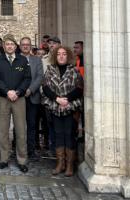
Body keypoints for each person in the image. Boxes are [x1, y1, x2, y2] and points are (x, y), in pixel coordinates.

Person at [0, 34, 31, 172]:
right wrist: (7, 91)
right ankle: (4, 159)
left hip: (19, 99)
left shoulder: (22, 60)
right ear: (4, 46)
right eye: (7, 44)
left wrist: (18, 91)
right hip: (3, 98)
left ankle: (22, 160)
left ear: (15, 46)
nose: (9, 46)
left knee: (20, 129)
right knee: (3, 130)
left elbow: (27, 78)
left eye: (12, 44)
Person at [41, 46, 83, 177]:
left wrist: (67, 100)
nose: (61, 56)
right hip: (55, 107)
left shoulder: (74, 71)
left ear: (68, 55)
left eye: (64, 54)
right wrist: (57, 99)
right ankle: (60, 163)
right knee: (58, 135)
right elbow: (46, 88)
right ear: (55, 56)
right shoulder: (50, 70)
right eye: (58, 54)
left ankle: (70, 165)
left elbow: (79, 89)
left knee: (69, 135)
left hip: (70, 108)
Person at [20, 37, 44, 158]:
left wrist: (30, 90)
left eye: (27, 44)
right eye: (23, 44)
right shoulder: (16, 59)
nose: (25, 46)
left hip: (33, 97)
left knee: (32, 125)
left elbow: (40, 77)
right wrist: (21, 91)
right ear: (20, 46)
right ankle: (20, 149)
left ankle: (31, 149)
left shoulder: (37, 60)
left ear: (30, 46)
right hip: (19, 97)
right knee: (19, 125)